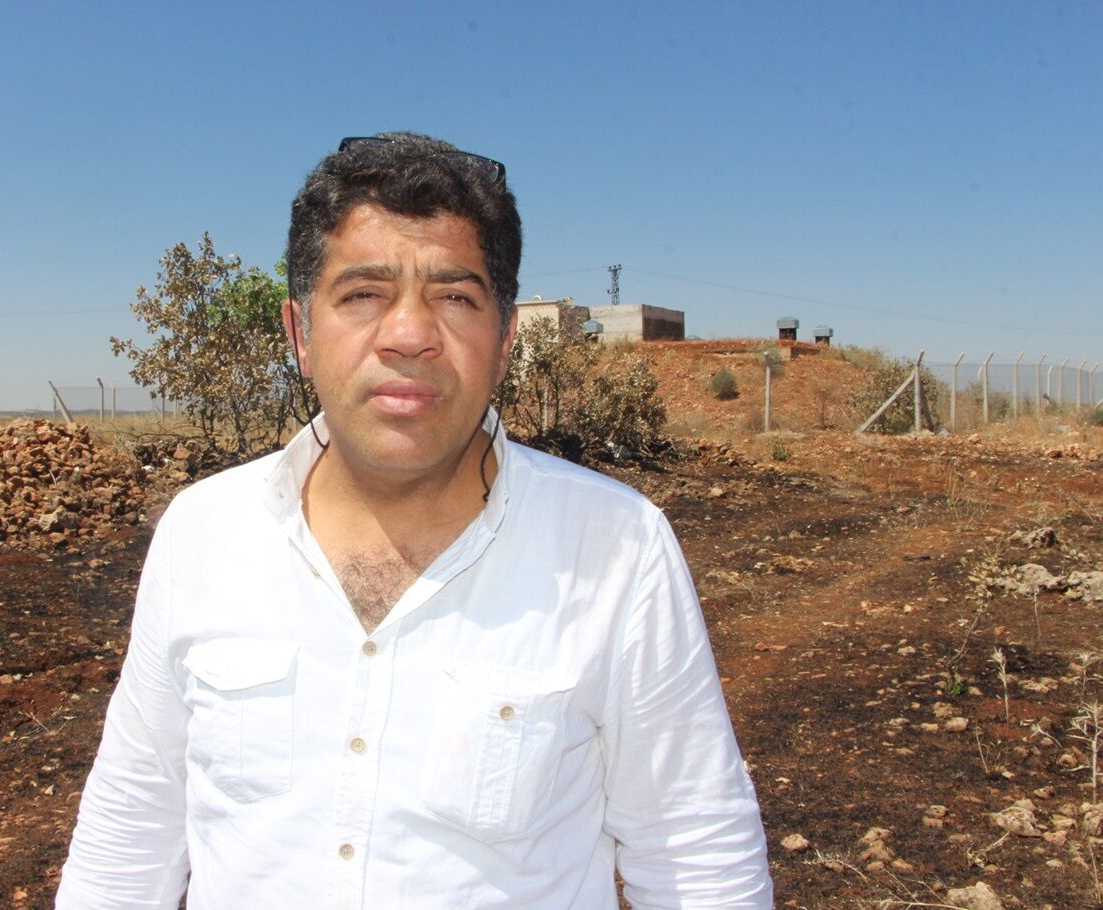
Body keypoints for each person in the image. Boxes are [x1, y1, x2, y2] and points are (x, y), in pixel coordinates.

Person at [56, 132, 772, 908]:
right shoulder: (203, 532)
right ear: (300, 334)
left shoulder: (616, 547)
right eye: (363, 294)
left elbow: (698, 858)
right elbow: (131, 832)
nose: (408, 335)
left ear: (505, 342)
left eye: (455, 298)